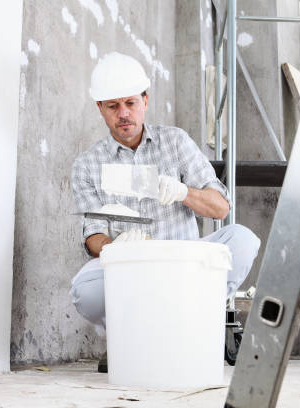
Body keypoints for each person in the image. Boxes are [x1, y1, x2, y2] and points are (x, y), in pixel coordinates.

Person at [70, 52, 261, 373]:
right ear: (99, 109)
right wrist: (115, 247)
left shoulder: (176, 142)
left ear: (145, 100)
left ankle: (197, 321)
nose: (124, 114)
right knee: (84, 290)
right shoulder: (87, 165)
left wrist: (183, 192)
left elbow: (220, 207)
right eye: (113, 106)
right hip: (130, 272)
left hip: (182, 267)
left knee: (242, 240)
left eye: (131, 102)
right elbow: (92, 236)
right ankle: (131, 334)